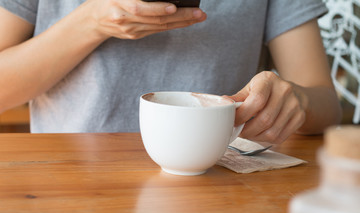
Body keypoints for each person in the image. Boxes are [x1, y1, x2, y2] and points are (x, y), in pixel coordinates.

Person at [0, 0, 342, 144]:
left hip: (220, 184)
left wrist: (294, 100)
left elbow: (326, 103)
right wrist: (91, 21)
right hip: (68, 183)